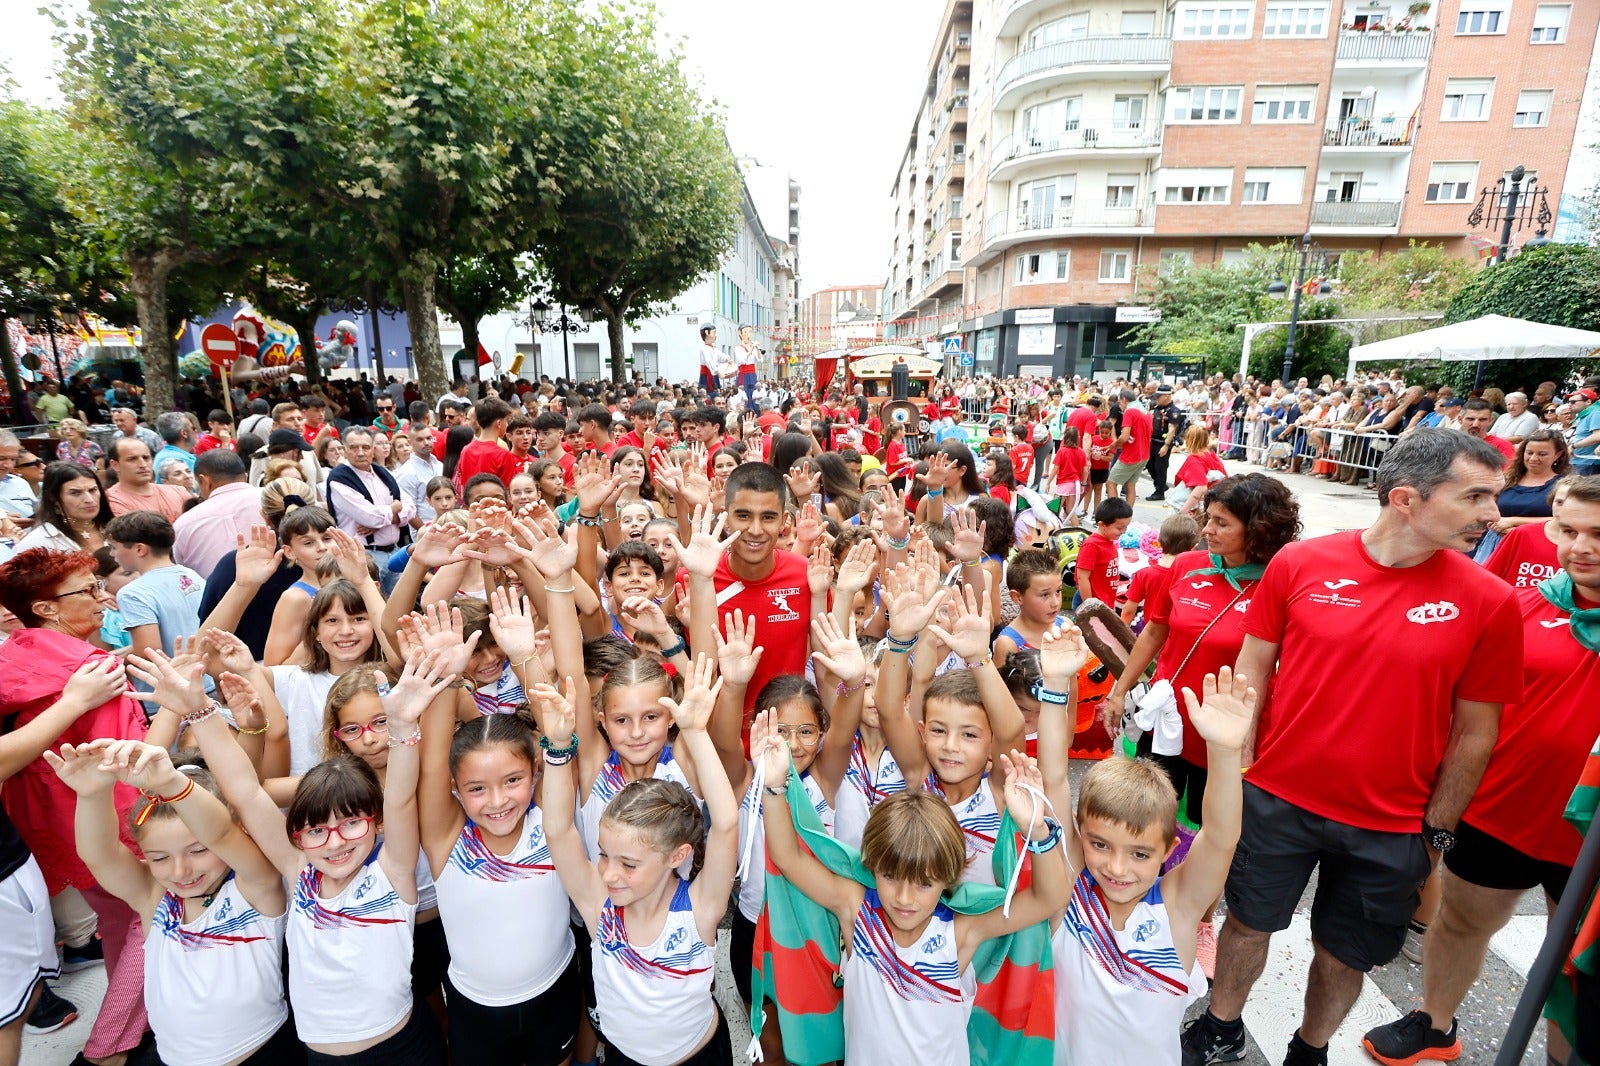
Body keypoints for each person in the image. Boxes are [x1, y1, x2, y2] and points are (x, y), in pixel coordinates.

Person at [1185, 430, 1523, 1066]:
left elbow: (1478, 730)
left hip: (1392, 824)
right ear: (1404, 498)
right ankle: (1220, 1027)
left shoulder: (1491, 601)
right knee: (1248, 923)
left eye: (1494, 496)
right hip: (1277, 798)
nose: (1492, 515)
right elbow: (1255, 664)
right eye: (1475, 495)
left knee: (1345, 952)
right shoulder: (1300, 564)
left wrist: (1436, 833)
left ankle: (1310, 1049)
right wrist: (1246, 768)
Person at [1362, 474, 1600, 1066]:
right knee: (1462, 922)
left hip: (1589, 838)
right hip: (1499, 812)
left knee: (1577, 964)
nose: (1580, 548)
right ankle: (1435, 1024)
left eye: (1599, 534)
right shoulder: (1520, 603)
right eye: (1567, 530)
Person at [184, 647, 451, 1064]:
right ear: (296, 836)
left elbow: (399, 799)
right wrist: (199, 712)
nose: (335, 842)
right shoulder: (300, 873)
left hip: (405, 1046)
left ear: (377, 823)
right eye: (316, 831)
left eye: (351, 824)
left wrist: (401, 725)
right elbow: (247, 792)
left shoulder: (392, 873)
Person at [537, 655, 739, 1066]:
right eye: (605, 855)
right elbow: (558, 830)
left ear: (677, 856)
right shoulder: (599, 908)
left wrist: (697, 732)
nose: (609, 873)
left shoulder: (700, 911)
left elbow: (726, 824)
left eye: (628, 864)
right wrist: (557, 750)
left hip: (700, 1056)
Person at [0, 549, 158, 1066]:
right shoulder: (93, 670)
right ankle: (108, 1044)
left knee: (114, 920)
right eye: (88, 590)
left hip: (45, 823)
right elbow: (124, 766)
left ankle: (135, 1018)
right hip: (107, 822)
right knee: (148, 913)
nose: (103, 596)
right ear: (46, 609)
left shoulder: (14, 655)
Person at [104, 511, 206, 670]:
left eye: (114, 547)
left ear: (139, 549)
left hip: (170, 685)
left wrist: (110, 665)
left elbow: (148, 652)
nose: (112, 554)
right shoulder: (191, 575)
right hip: (204, 674)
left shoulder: (133, 593)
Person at [325, 427, 414, 594]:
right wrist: (393, 508)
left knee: (399, 609)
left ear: (373, 449)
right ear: (344, 450)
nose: (360, 453)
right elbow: (370, 518)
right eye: (353, 447)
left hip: (393, 551)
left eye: (365, 447)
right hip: (364, 556)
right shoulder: (339, 479)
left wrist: (386, 520)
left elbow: (410, 506)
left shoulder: (382, 473)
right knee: (370, 609)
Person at [1472, 429, 1570, 564]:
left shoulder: (1563, 485)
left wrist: (1514, 523)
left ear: (1558, 455)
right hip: (1496, 543)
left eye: (1542, 454)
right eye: (1529, 453)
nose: (1534, 458)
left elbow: (1564, 518)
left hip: (1536, 547)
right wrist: (1494, 523)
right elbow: (1486, 506)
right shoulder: (1507, 479)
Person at [172, 449, 265, 579]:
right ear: (245, 476)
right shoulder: (274, 497)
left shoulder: (183, 524)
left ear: (204, 481)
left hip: (220, 597)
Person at [16, 463, 112, 555]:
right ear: (53, 498)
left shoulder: (116, 529)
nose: (89, 499)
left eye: (92, 490)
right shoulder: (37, 542)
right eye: (75, 493)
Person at [105, 437, 191, 522]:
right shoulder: (111, 500)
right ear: (115, 465)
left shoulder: (178, 492)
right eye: (132, 459)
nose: (142, 464)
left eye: (146, 458)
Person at [452, 397, 523, 492]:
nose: (507, 425)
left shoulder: (466, 450)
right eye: (506, 421)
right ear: (499, 423)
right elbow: (509, 492)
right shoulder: (504, 455)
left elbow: (463, 487)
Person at [1074, 497, 1132, 607]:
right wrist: (1089, 606)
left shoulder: (1109, 541)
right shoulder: (1092, 545)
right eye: (1119, 528)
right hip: (1091, 602)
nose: (1123, 531)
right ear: (1102, 525)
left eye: (1125, 527)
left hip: (1104, 602)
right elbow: (1082, 578)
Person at [395, 423, 444, 524]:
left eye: (429, 438)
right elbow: (408, 510)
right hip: (425, 531)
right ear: (410, 442)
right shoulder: (407, 472)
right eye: (420, 439)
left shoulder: (439, 465)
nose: (426, 442)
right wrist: (423, 531)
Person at [1111, 388, 1153, 505]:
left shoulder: (1130, 411)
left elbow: (1124, 437)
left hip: (1131, 455)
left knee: (1111, 483)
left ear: (1124, 400)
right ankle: (1127, 515)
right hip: (1144, 454)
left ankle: (1114, 515)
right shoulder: (1146, 412)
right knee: (1130, 485)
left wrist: (1114, 445)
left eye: (1120, 402)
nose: (1120, 406)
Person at [1146, 386, 1185, 501]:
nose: (1157, 399)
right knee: (1149, 465)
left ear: (1167, 396)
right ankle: (1161, 485)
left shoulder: (1174, 411)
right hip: (1153, 441)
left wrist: (1166, 446)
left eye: (1159, 396)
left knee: (1160, 467)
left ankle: (1159, 492)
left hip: (1163, 443)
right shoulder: (1157, 408)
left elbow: (1172, 429)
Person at [0, 431, 43, 526]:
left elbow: (37, 513)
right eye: (2, 458)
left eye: (13, 459)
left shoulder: (20, 483)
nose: (9, 465)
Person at [1456, 398, 1514, 463]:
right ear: (1460, 419)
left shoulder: (1503, 446)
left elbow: (1508, 472)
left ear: (1491, 420)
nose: (1475, 425)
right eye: (1470, 419)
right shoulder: (1450, 443)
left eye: (1482, 420)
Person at [151, 413, 198, 485]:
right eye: (193, 428)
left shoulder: (163, 455)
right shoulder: (181, 460)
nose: (196, 431)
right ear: (184, 433)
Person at [1570, 387, 1600, 476]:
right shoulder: (1585, 415)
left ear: (1588, 402)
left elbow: (1597, 436)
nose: (1569, 404)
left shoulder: (1595, 413)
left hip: (1589, 463)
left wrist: (1573, 446)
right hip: (1580, 461)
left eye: (1573, 402)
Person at [735, 325, 760, 405]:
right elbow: (742, 360)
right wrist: (751, 349)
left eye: (750, 332)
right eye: (745, 332)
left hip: (752, 375)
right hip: (744, 375)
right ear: (740, 333)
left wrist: (757, 349)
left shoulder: (752, 347)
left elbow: (759, 359)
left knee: (754, 393)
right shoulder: (738, 348)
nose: (748, 334)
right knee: (744, 393)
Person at [698, 324, 723, 393]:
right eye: (714, 333)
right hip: (706, 376)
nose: (716, 335)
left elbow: (721, 356)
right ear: (706, 332)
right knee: (707, 393)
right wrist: (717, 371)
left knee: (716, 392)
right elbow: (709, 362)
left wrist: (728, 358)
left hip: (713, 374)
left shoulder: (713, 348)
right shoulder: (704, 348)